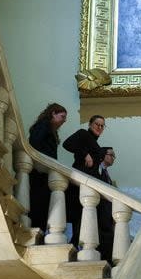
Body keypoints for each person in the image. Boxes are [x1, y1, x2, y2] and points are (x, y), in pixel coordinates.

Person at [62, 115, 106, 247]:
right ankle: (75, 245)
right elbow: (67, 144)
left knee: (85, 215)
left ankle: (78, 244)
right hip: (81, 179)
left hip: (90, 181)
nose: (99, 127)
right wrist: (85, 154)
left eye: (102, 125)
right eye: (97, 124)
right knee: (79, 214)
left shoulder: (95, 142)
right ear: (90, 124)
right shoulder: (83, 133)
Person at [27, 103, 67, 233]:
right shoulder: (43, 126)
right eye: (62, 117)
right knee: (39, 204)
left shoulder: (50, 129)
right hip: (39, 172)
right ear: (53, 113)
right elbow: (35, 144)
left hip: (44, 172)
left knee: (44, 204)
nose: (63, 121)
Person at [96, 147, 116, 263]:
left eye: (114, 156)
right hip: (101, 212)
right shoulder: (98, 169)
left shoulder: (106, 173)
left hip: (107, 213)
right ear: (103, 155)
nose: (113, 158)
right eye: (111, 155)